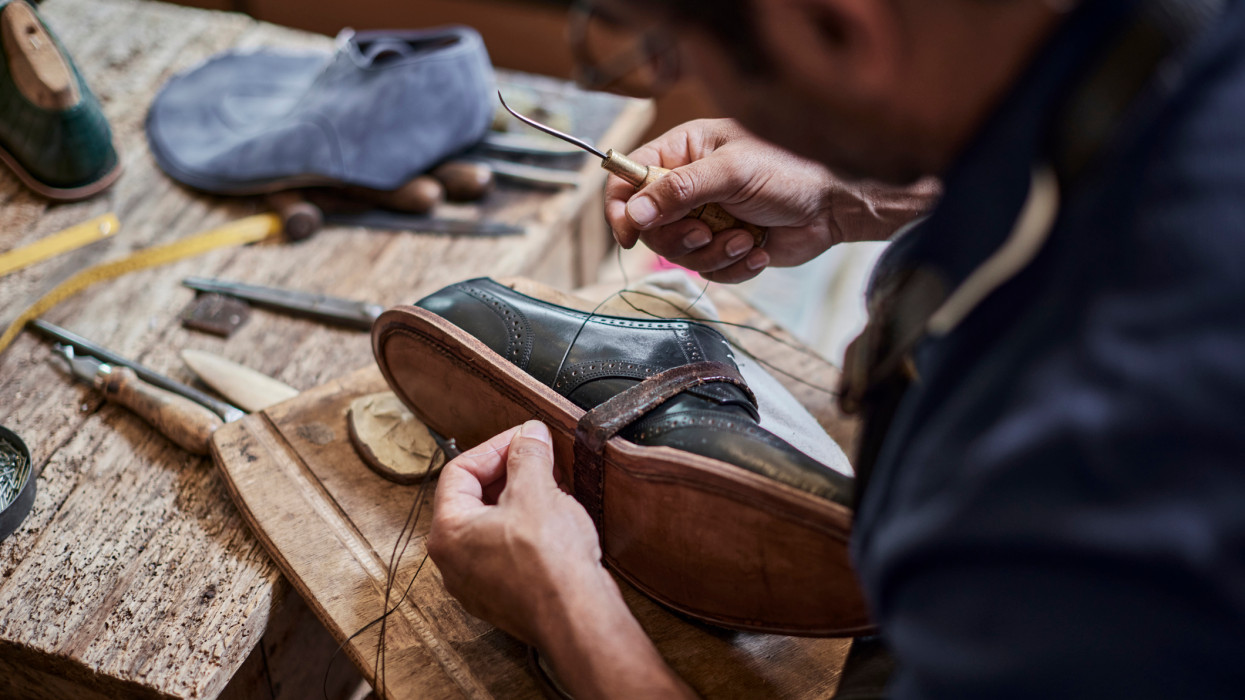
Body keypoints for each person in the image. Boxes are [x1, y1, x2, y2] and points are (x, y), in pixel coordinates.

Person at [428, 0, 1245, 697]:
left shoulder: (1072, 475)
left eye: (678, 55)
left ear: (838, 29)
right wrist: (848, 189)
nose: (699, 88)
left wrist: (568, 611)